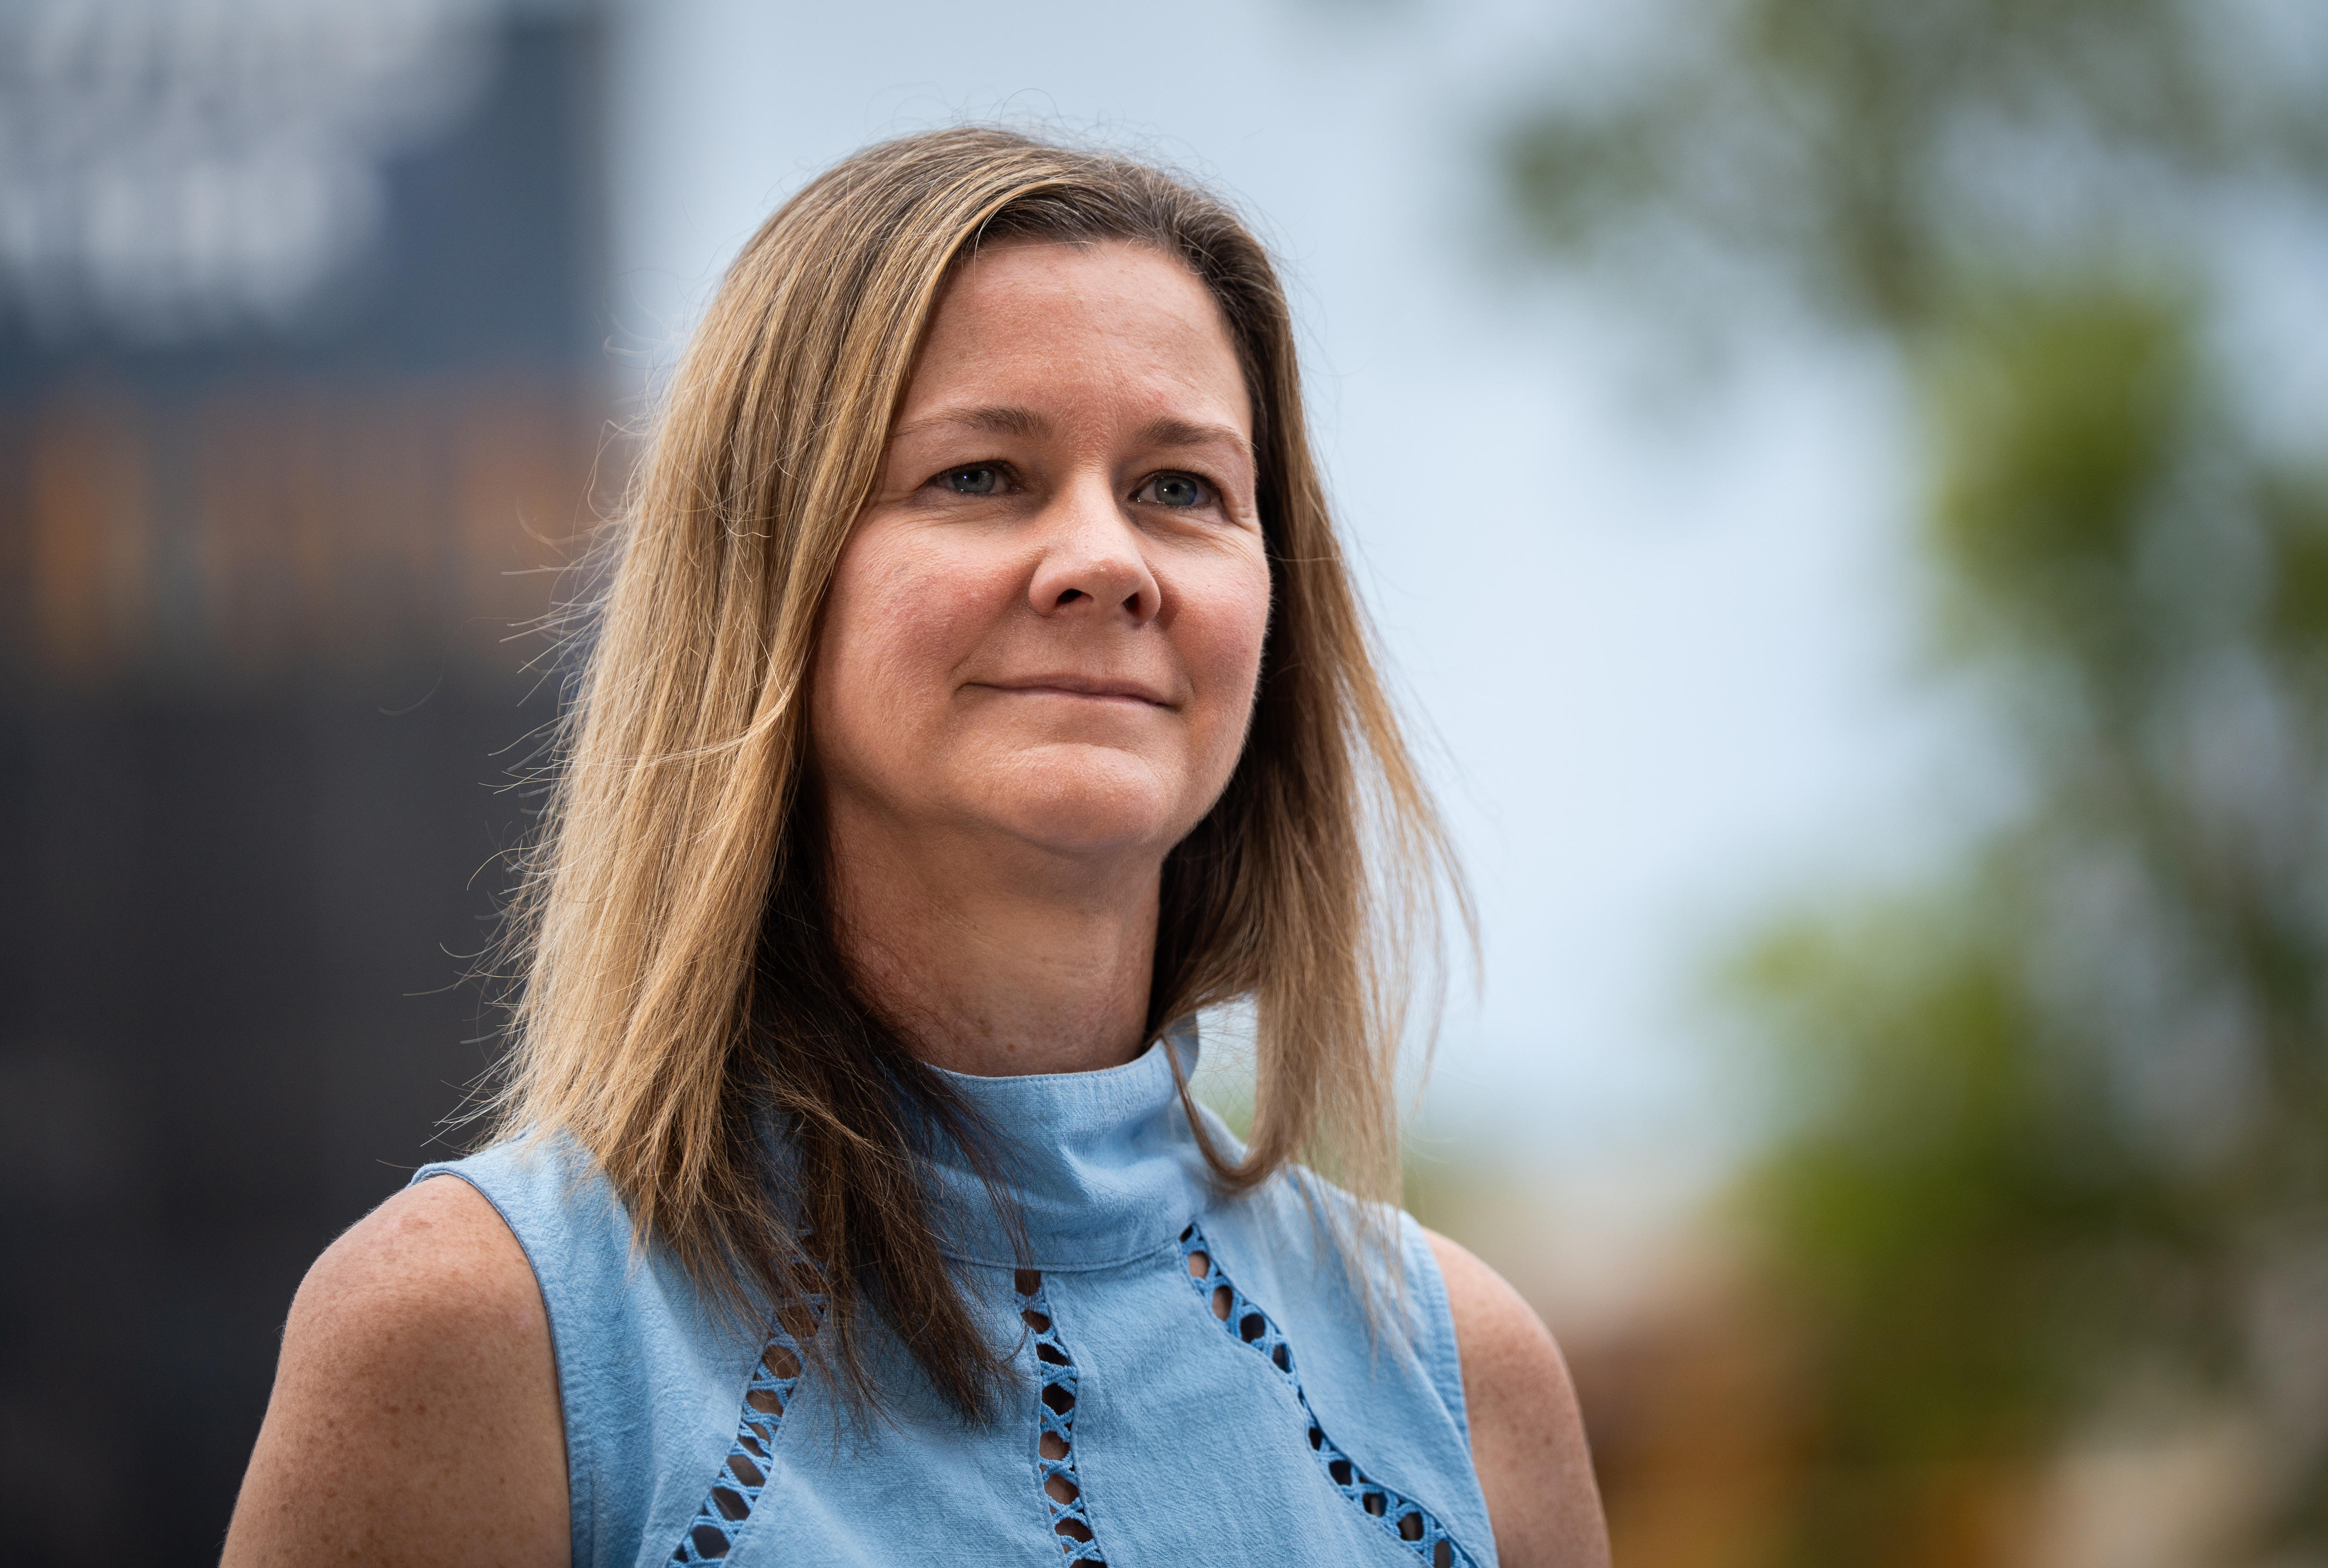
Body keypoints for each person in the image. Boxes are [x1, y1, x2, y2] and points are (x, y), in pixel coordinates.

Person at [222, 127, 1610, 1568]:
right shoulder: (479, 1335)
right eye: (982, 475)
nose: (1106, 560)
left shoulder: (1469, 1382)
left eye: (1182, 488)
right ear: (767, 583)